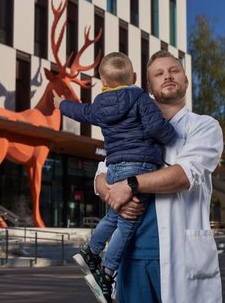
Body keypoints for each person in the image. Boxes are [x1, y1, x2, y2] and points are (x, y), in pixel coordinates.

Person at [95, 50, 224, 303]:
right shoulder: (131, 125)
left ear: (186, 81)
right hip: (132, 258)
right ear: (148, 87)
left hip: (182, 257)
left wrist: (130, 185)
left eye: (174, 71)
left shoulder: (203, 126)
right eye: (159, 73)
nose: (167, 76)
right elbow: (102, 172)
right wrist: (111, 190)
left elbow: (184, 174)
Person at [53, 51, 176, 303]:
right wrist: (171, 135)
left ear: (102, 81)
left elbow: (80, 112)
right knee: (127, 223)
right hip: (140, 165)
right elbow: (154, 127)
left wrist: (60, 104)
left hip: (115, 167)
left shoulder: (99, 104)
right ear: (133, 77)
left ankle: (91, 250)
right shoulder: (140, 97)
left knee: (116, 214)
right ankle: (107, 273)